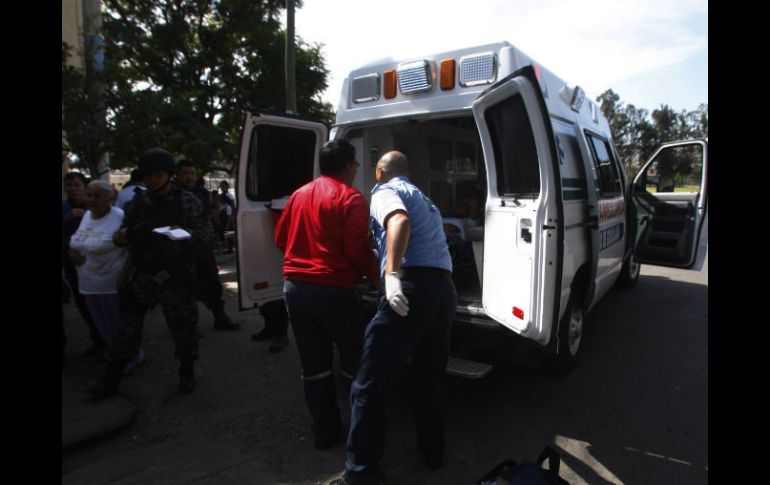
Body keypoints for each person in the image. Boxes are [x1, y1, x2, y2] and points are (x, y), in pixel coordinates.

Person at [334, 151, 457, 485]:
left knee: (369, 383)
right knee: (429, 377)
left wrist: (391, 274)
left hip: (411, 288)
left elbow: (398, 222)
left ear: (378, 172)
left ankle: (361, 472)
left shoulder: (385, 192)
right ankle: (434, 453)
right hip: (443, 291)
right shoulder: (425, 199)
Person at [87, 148, 216, 400]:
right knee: (126, 328)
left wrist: (184, 235)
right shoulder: (138, 204)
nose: (153, 179)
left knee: (183, 328)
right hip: (145, 272)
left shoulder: (187, 202)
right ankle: (111, 378)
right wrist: (121, 237)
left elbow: (207, 235)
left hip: (175, 274)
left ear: (168, 175)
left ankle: (186, 371)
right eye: (149, 175)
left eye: (158, 174)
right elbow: (125, 234)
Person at [275, 139, 379, 450]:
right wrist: (378, 273)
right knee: (353, 360)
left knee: (314, 365)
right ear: (349, 167)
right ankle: (363, 434)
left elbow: (281, 238)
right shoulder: (351, 198)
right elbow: (357, 249)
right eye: (356, 165)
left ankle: (325, 431)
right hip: (334, 289)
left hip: (295, 288)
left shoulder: (298, 195)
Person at [68, 180, 144, 373]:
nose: (92, 200)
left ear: (110, 198)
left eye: (97, 196)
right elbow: (78, 242)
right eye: (90, 195)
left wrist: (125, 275)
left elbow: (133, 249)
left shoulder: (119, 217)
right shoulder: (86, 216)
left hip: (112, 283)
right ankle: (115, 356)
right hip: (88, 283)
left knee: (119, 325)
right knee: (102, 326)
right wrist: (72, 254)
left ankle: (131, 357)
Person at [175, 159, 239, 330]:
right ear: (177, 175)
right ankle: (189, 328)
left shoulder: (201, 193)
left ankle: (220, 318)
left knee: (213, 284)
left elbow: (211, 215)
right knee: (186, 289)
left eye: (192, 173)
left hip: (203, 248)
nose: (190, 177)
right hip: (183, 251)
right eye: (186, 173)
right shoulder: (172, 196)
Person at [62, 171, 105, 357]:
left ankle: (107, 340)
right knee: (83, 303)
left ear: (85, 187)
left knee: (100, 304)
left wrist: (87, 214)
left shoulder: (94, 207)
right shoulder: (64, 208)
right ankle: (97, 339)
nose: (72, 189)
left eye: (77, 185)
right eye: (69, 185)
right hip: (72, 264)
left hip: (97, 264)